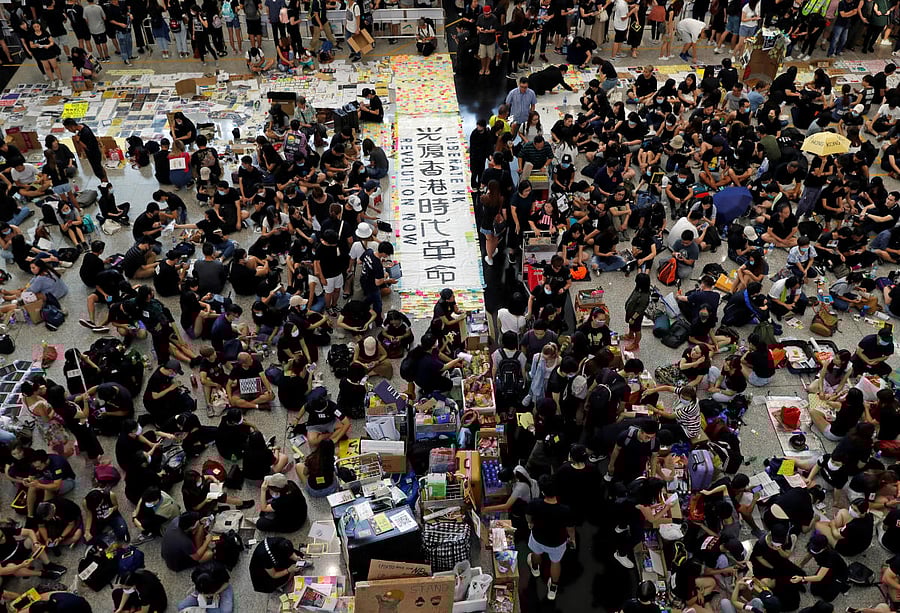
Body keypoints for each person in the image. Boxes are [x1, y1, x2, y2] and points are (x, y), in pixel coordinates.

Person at [526, 475, 575, 601]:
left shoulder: (535, 503)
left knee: (536, 553)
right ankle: (553, 587)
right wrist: (572, 539)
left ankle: (536, 569)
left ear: (542, 491)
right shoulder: (565, 509)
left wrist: (530, 523)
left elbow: (528, 515)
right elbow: (570, 528)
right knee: (555, 562)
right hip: (557, 542)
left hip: (538, 537)